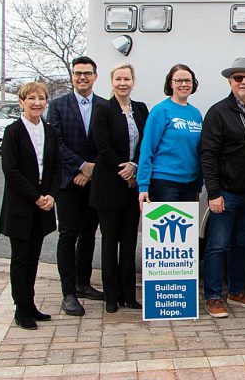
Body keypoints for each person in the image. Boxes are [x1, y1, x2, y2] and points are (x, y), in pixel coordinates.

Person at [200, 57, 245, 318]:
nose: (244, 82)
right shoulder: (218, 111)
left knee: (242, 244)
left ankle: (237, 291)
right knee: (218, 245)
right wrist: (214, 193)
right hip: (226, 192)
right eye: (238, 78)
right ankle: (213, 296)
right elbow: (208, 154)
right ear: (230, 81)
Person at [0, 82, 60, 330]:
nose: (37, 102)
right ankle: (20, 308)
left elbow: (56, 167)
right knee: (20, 258)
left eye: (41, 98)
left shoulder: (50, 131)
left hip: (43, 205)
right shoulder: (13, 132)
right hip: (21, 206)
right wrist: (36, 197)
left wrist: (51, 195)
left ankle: (31, 304)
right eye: (31, 98)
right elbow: (10, 171)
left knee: (34, 257)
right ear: (21, 102)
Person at [48, 56, 105, 316]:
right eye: (78, 73)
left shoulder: (105, 106)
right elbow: (56, 142)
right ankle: (68, 292)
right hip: (68, 182)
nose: (82, 77)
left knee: (89, 234)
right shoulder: (58, 106)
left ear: (95, 76)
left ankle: (83, 284)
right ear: (72, 76)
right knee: (68, 234)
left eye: (87, 73)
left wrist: (92, 170)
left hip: (94, 182)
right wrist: (80, 167)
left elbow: (108, 144)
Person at [90, 63, 148, 314]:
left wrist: (134, 167)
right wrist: (122, 169)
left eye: (127, 78)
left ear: (133, 81)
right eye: (118, 79)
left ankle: (128, 295)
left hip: (132, 184)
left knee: (128, 242)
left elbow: (146, 141)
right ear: (111, 82)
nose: (123, 83)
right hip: (109, 185)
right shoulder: (102, 108)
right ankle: (111, 296)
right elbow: (102, 146)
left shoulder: (141, 109)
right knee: (110, 241)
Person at [137, 64, 203, 206]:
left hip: (190, 183)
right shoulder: (161, 111)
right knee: (167, 228)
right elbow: (147, 149)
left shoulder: (196, 114)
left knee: (185, 228)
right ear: (170, 84)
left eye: (188, 80)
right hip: (165, 183)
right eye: (179, 81)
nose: (184, 84)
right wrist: (143, 185)